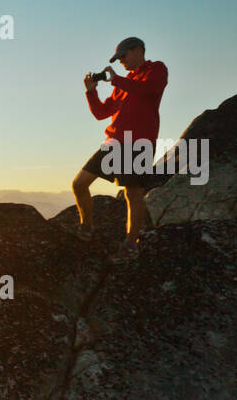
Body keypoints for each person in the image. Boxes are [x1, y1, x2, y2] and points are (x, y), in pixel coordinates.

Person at [72, 36, 168, 258]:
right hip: (113, 143)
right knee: (79, 184)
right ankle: (86, 226)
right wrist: (90, 91)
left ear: (138, 50)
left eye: (123, 57)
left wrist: (116, 79)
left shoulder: (156, 69)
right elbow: (100, 114)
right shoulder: (122, 84)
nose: (121, 62)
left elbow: (149, 89)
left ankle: (130, 242)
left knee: (133, 195)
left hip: (139, 144)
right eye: (118, 59)